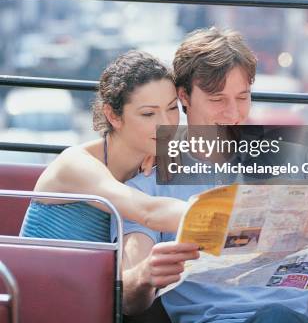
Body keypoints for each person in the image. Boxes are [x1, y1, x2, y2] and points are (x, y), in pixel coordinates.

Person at [114, 28, 308, 323]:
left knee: (273, 322)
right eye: (217, 100)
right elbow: (130, 298)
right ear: (183, 98)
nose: (233, 114)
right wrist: (144, 275)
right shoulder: (148, 183)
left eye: (242, 97)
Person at [20, 50, 186, 242]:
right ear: (113, 116)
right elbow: (148, 212)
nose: (166, 123)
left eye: (173, 108)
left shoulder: (149, 157)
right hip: (38, 270)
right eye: (148, 114)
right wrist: (224, 219)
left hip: (95, 271)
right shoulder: (75, 163)